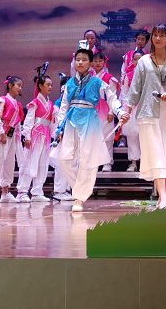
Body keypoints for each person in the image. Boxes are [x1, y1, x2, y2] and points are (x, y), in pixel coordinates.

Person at [123, 23, 166, 210]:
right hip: (148, 114)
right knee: (155, 154)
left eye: (162, 35)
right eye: (155, 35)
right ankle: (164, 197)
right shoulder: (144, 61)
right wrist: (127, 111)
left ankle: (162, 197)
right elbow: (135, 90)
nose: (158, 38)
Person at [54, 47, 128, 212]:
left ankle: (79, 198)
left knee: (88, 159)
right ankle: (80, 189)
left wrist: (120, 112)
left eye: (84, 60)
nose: (80, 62)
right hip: (71, 120)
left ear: (90, 64)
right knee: (64, 159)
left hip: (90, 121)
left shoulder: (97, 82)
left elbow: (111, 98)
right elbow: (64, 106)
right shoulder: (69, 83)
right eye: (78, 59)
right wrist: (59, 128)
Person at [0, 76, 25, 204]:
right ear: (10, 86)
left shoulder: (17, 104)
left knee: (9, 163)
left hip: (12, 136)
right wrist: (1, 133)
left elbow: (17, 123)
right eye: (18, 85)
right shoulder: (2, 100)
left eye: (21, 86)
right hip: (2, 135)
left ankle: (5, 192)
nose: (20, 88)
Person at [17, 74, 56, 202]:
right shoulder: (35, 103)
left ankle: (37, 191)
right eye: (47, 85)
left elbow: (52, 123)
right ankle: (22, 192)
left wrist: (55, 135)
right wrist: (27, 136)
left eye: (51, 85)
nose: (50, 87)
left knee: (42, 163)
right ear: (40, 86)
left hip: (46, 135)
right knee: (29, 162)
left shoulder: (51, 104)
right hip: (35, 135)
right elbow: (29, 121)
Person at [92, 52, 120, 172]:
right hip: (92, 110)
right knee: (93, 136)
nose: (98, 63)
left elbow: (113, 96)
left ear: (104, 62)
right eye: (95, 61)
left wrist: (111, 112)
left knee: (107, 137)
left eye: (100, 61)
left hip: (105, 109)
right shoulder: (89, 77)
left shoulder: (109, 78)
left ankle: (107, 162)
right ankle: (95, 161)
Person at [119, 50, 145, 172]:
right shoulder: (128, 75)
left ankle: (145, 163)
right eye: (135, 59)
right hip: (132, 109)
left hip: (145, 109)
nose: (138, 61)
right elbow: (124, 93)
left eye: (140, 59)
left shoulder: (150, 74)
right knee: (132, 135)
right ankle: (133, 162)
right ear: (132, 61)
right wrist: (128, 106)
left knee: (145, 136)